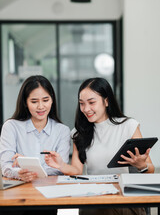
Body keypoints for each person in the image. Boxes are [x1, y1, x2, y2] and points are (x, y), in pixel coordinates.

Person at [44, 77, 154, 215]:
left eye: (91, 102)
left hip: (123, 199)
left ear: (106, 101)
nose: (86, 109)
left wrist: (141, 165)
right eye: (82, 104)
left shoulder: (128, 126)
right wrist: (61, 165)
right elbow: (77, 170)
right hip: (94, 199)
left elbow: (150, 169)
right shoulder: (78, 133)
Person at [0, 75, 71, 215]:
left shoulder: (62, 131)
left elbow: (59, 169)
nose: (41, 106)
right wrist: (20, 173)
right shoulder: (11, 127)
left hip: (47, 198)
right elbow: (5, 166)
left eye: (45, 100)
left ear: (52, 100)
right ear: (25, 102)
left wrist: (25, 165)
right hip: (15, 197)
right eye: (34, 101)